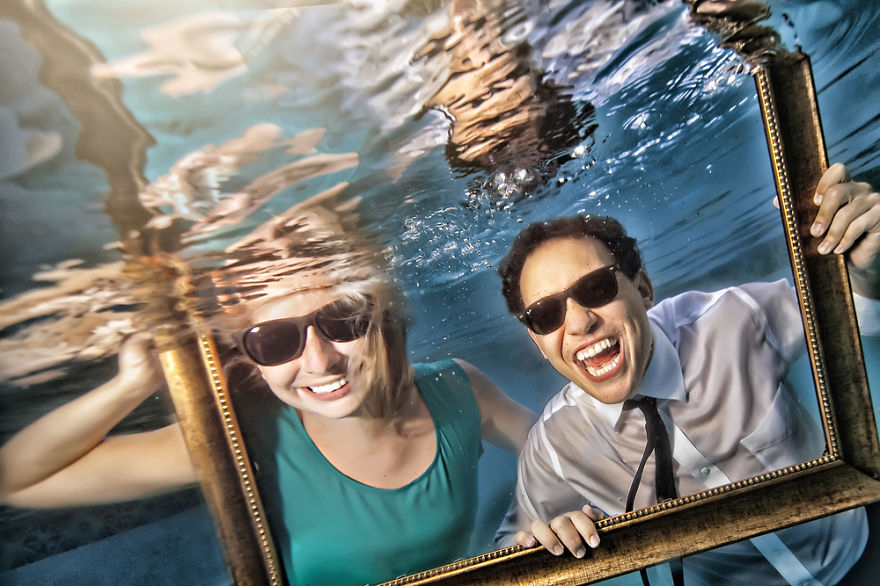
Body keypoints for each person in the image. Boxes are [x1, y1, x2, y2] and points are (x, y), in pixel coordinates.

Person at [0, 206, 535, 586]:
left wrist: (538, 523)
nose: (320, 360)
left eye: (342, 321)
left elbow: (559, 447)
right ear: (247, 355)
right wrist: (129, 387)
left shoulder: (458, 388)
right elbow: (19, 480)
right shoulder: (243, 440)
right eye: (276, 340)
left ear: (380, 314)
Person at [495, 163, 880, 585]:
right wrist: (539, 546)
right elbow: (508, 553)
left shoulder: (734, 318)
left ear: (642, 290)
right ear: (538, 341)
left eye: (596, 289)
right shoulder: (553, 445)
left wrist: (865, 264)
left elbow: (856, 315)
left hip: (864, 550)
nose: (579, 324)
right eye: (546, 315)